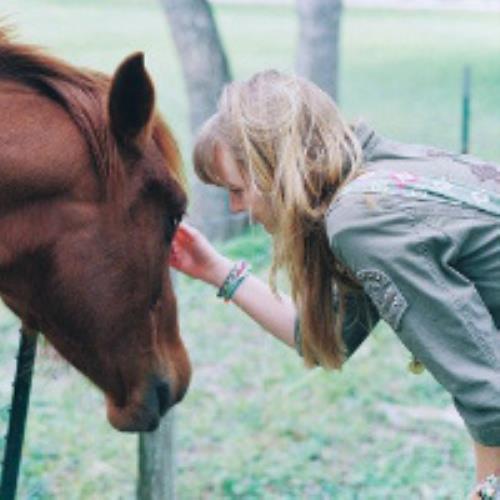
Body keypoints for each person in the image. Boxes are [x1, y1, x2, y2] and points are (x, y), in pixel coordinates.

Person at [169, 70, 500, 498]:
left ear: (275, 167)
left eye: (237, 189)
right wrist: (216, 269)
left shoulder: (364, 216)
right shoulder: (372, 184)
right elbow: (326, 337)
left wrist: (487, 489)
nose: (236, 208)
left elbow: (487, 393)